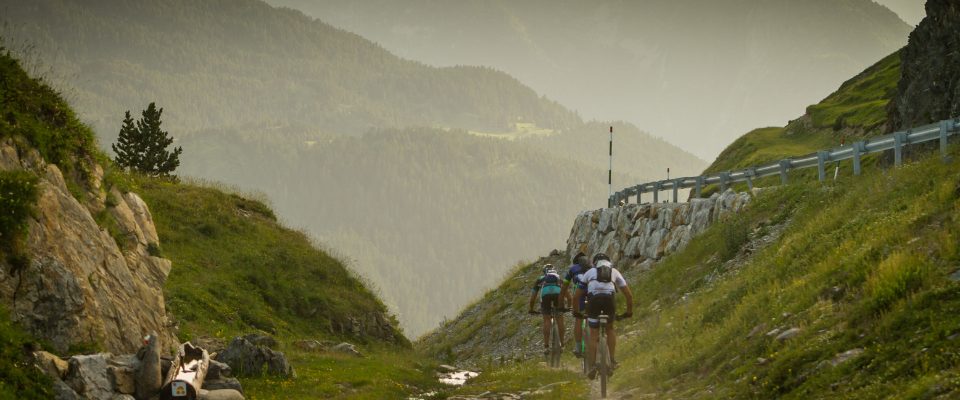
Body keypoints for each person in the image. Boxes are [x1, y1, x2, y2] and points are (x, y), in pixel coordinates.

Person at [572, 253, 633, 379]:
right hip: (609, 300)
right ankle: (612, 360)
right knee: (610, 329)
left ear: (594, 264)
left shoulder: (589, 272)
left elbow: (576, 296)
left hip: (594, 301)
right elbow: (629, 295)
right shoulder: (614, 272)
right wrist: (628, 312)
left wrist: (576, 312)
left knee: (594, 333)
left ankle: (593, 365)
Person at [528, 264, 565, 355]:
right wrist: (568, 306)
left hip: (545, 297)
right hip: (558, 295)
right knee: (560, 320)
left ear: (544, 272)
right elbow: (567, 293)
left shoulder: (540, 279)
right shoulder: (558, 278)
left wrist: (531, 309)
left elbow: (532, 299)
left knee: (546, 320)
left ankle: (546, 346)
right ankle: (562, 345)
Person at [560, 251, 590, 358]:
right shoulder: (592, 267)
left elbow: (564, 287)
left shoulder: (572, 269)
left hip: (579, 294)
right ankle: (598, 342)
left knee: (578, 319)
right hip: (592, 292)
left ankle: (578, 349)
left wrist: (560, 305)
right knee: (594, 317)